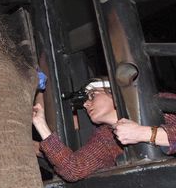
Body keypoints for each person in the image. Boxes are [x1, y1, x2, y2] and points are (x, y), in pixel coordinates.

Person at [32, 78, 176, 182]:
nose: (86, 104)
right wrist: (40, 124)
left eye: (92, 96)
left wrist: (144, 133)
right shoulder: (105, 136)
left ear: (113, 92)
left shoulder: (153, 103)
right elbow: (74, 168)